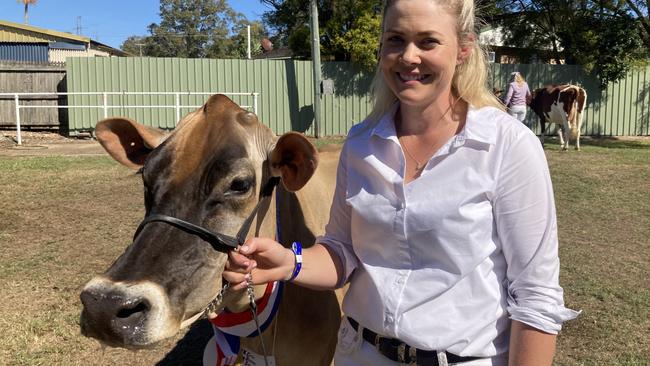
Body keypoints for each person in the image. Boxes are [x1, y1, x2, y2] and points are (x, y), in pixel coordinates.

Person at [225, 0, 579, 365]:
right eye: (396, 39)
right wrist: (289, 262)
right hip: (358, 353)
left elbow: (535, 298)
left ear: (463, 50)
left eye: (428, 42)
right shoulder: (360, 145)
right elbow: (342, 252)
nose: (409, 56)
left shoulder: (507, 146)